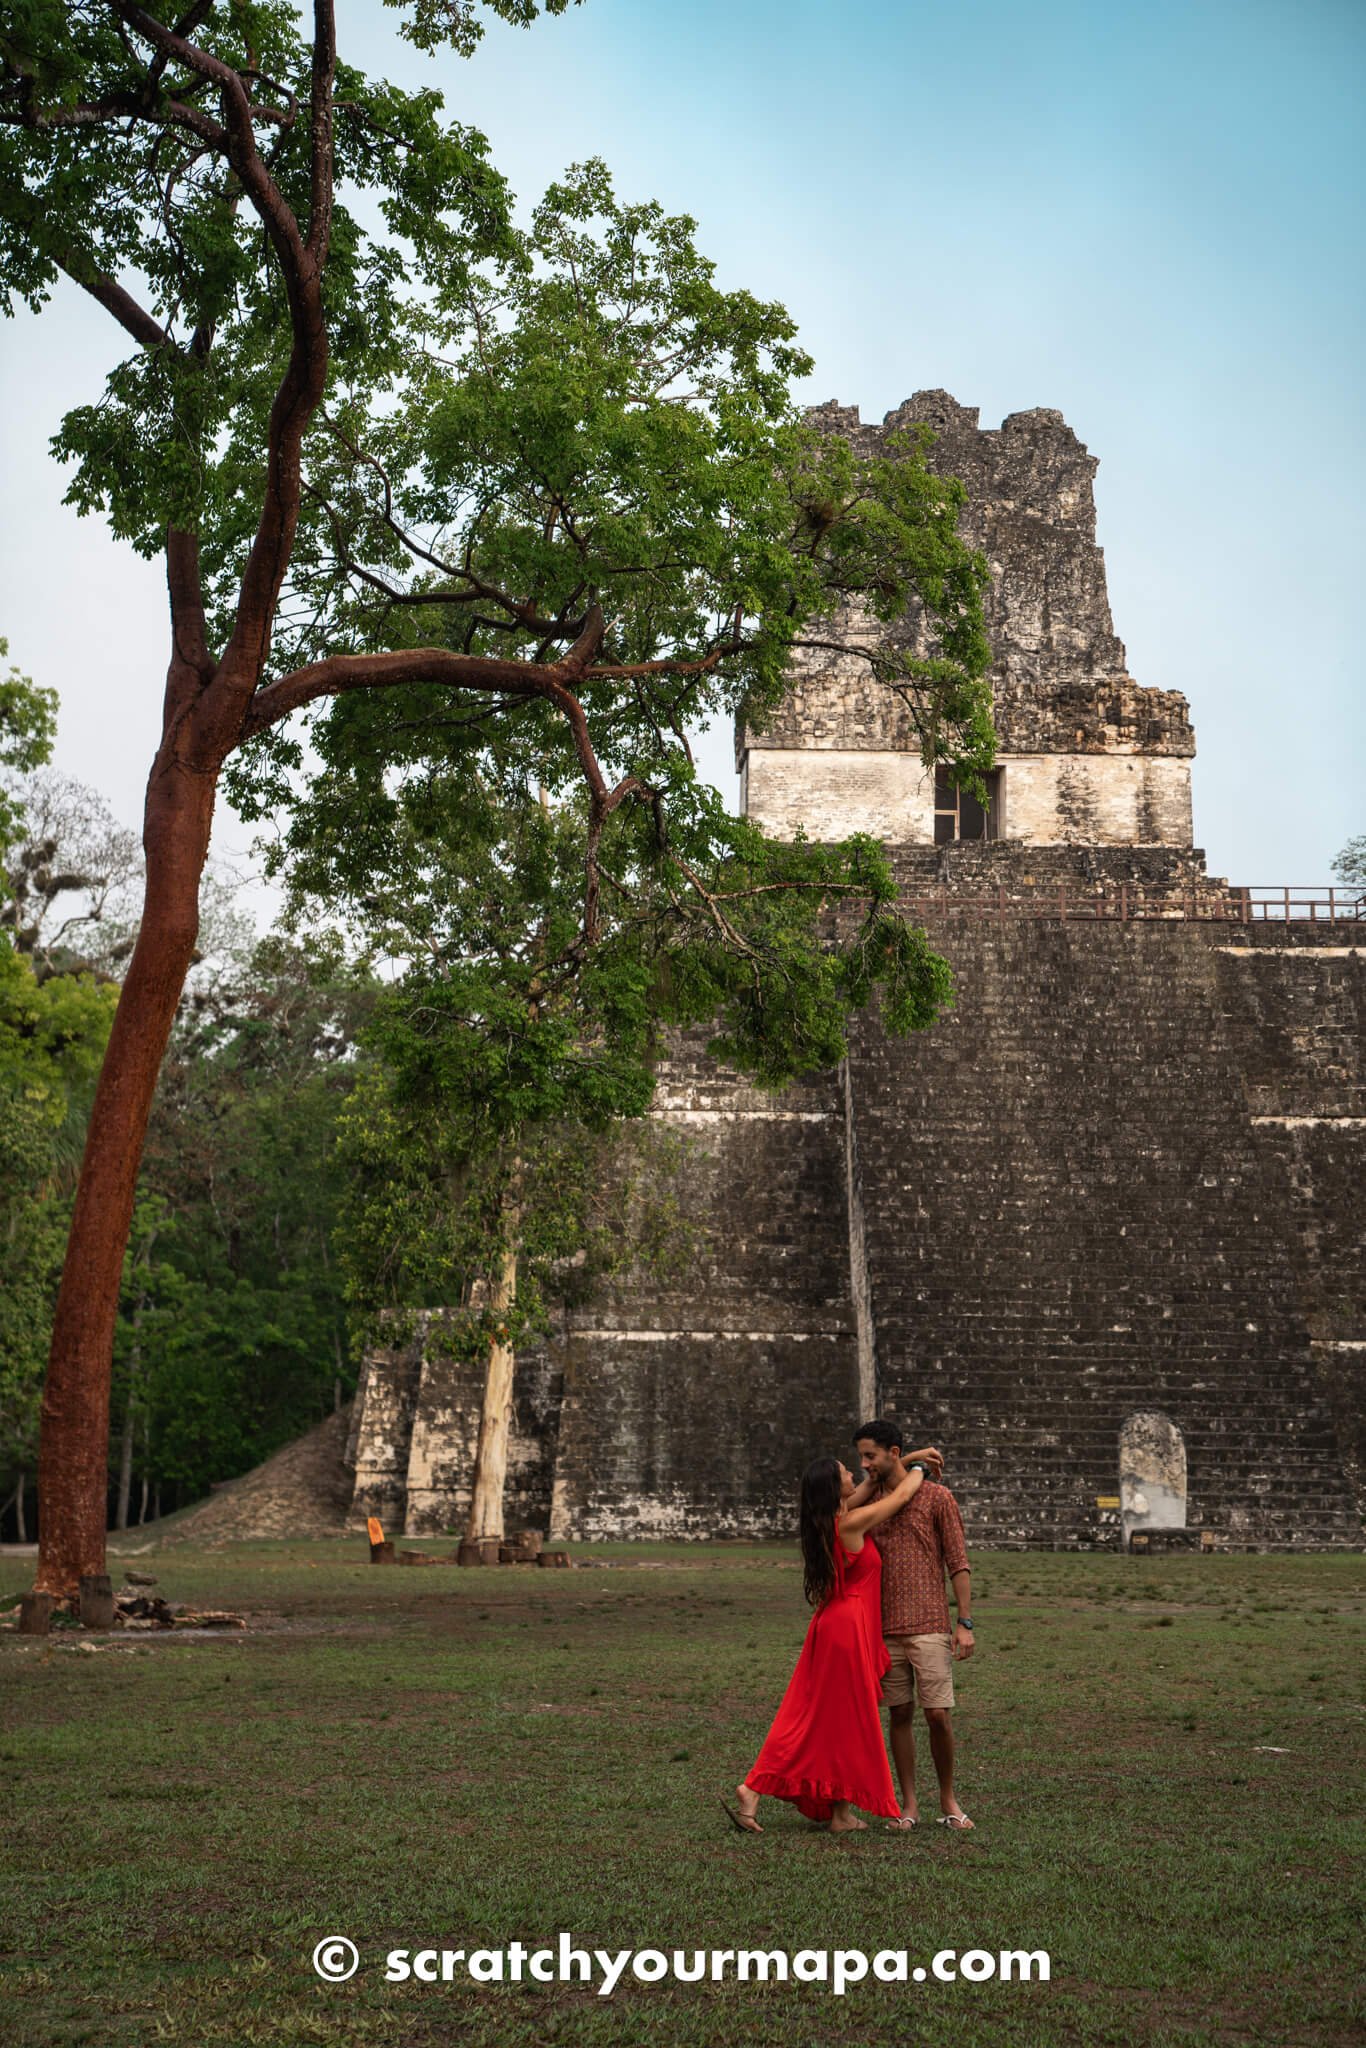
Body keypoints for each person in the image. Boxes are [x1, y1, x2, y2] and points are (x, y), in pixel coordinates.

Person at [722, 1442, 943, 1836]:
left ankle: (840, 1814)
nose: (853, 1472)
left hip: (836, 1625)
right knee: (828, 1720)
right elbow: (903, 1494)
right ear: (834, 1486)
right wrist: (922, 1471)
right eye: (844, 1471)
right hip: (847, 1629)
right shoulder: (850, 1523)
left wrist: (904, 1460)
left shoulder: (833, 1518)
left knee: (839, 1722)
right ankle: (753, 1787)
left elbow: (876, 1479)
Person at [850, 1419, 976, 1832]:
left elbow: (958, 1561)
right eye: (861, 1456)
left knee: (937, 1714)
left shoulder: (938, 1497)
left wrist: (965, 1622)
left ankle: (948, 1798)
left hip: (930, 1623)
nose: (864, 1464)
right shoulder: (871, 1504)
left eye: (870, 1455)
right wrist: (916, 1458)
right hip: (885, 1628)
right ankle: (908, 1804)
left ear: (892, 1452)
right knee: (899, 1713)